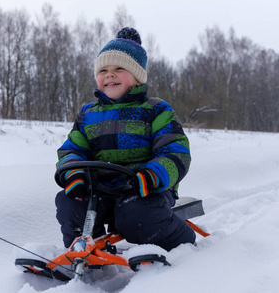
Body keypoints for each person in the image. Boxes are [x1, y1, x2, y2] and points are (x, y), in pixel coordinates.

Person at [55, 27, 195, 251]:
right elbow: (71, 150)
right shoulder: (88, 114)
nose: (109, 75)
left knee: (136, 215)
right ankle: (86, 253)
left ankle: (180, 240)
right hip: (98, 192)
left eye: (119, 68)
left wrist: (153, 176)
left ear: (137, 76)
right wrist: (73, 173)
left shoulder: (155, 110)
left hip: (144, 190)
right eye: (103, 70)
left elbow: (175, 151)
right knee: (69, 204)